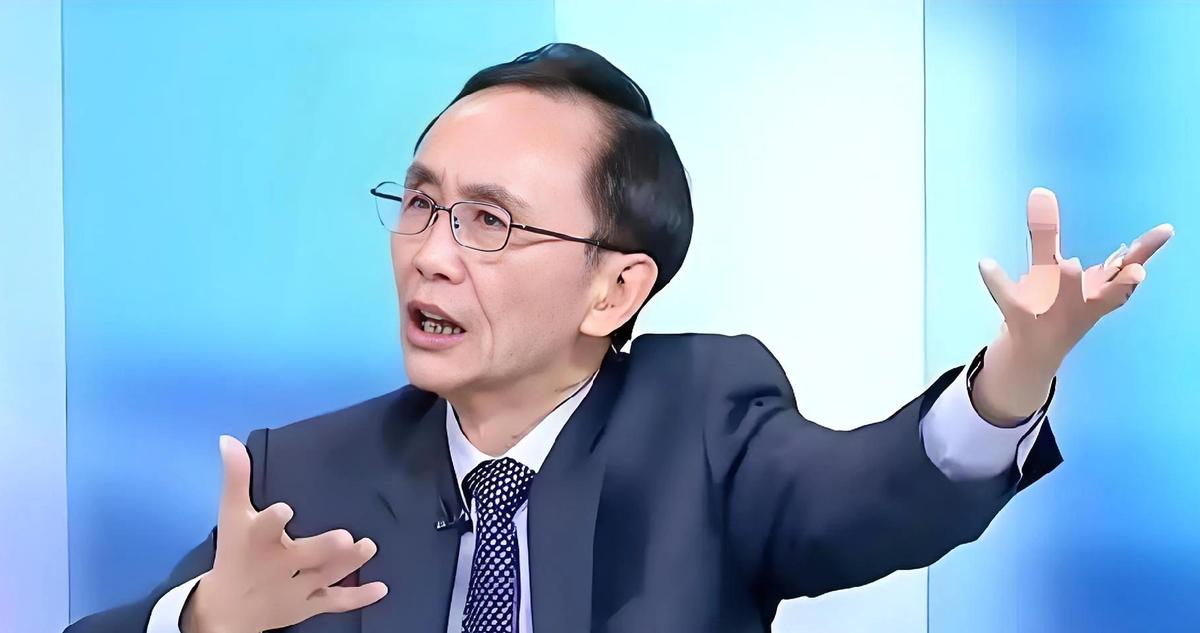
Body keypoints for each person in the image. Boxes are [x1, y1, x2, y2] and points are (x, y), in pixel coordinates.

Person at [65, 43, 1173, 633]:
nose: (430, 254)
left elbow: (872, 494)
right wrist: (201, 625)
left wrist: (1014, 375)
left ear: (615, 288)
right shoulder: (301, 475)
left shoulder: (704, 424)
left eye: (488, 222)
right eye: (421, 204)